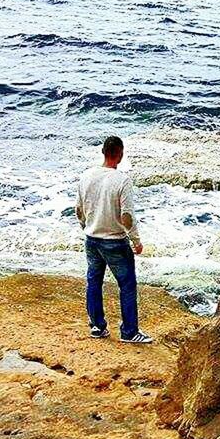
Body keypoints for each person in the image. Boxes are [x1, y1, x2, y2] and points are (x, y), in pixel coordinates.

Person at [75, 136, 153, 344]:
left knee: (94, 281)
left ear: (103, 152)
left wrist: (87, 227)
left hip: (92, 239)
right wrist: (136, 241)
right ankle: (129, 332)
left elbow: (78, 209)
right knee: (127, 285)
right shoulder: (122, 180)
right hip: (115, 241)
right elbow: (127, 217)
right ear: (120, 154)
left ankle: (97, 327)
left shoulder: (87, 176)